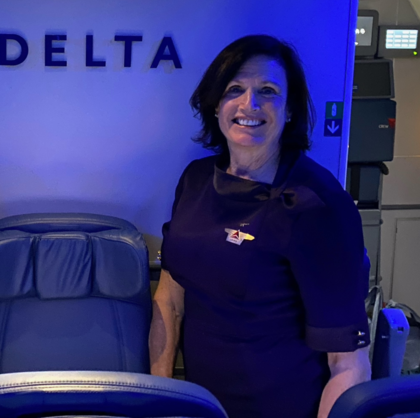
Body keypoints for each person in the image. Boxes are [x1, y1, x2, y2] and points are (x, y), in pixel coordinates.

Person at [149, 35, 371, 418]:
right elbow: (170, 299)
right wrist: (163, 401)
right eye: (235, 89)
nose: (249, 104)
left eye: (267, 91)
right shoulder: (196, 180)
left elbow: (348, 364)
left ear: (288, 111)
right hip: (200, 408)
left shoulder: (318, 204)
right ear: (216, 103)